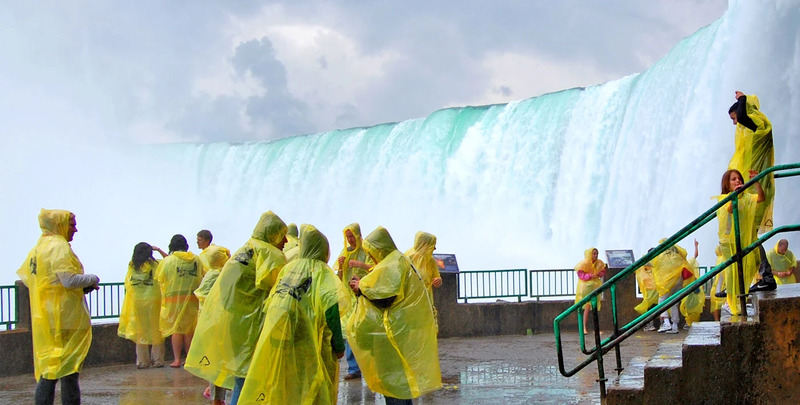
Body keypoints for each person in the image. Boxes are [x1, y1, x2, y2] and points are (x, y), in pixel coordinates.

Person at [184, 211, 288, 405]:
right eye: (282, 236)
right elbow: (279, 293)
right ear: (272, 233)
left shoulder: (244, 249)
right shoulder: (270, 254)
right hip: (254, 324)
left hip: (233, 322)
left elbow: (225, 286)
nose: (286, 242)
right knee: (253, 375)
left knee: (242, 371)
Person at [239, 225, 351, 404]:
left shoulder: (289, 269)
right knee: (314, 386)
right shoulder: (322, 272)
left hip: (282, 337)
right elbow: (331, 312)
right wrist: (338, 345)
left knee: (289, 387)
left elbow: (272, 302)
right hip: (308, 340)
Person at [347, 226, 441, 404]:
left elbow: (387, 298)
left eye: (372, 251)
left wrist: (361, 289)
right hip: (400, 331)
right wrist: (363, 287)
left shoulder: (393, 264)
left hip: (394, 334)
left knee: (395, 384)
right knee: (400, 384)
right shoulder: (395, 261)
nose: (372, 256)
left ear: (379, 248)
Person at [16, 209, 100, 405]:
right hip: (64, 317)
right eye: (72, 224)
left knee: (50, 368)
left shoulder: (39, 247)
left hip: (45, 317)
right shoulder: (59, 246)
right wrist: (93, 278)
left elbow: (34, 280)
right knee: (69, 370)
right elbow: (68, 280)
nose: (76, 229)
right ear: (59, 224)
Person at [727, 91, 777, 292]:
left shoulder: (759, 126)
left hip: (758, 188)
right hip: (757, 185)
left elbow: (745, 117)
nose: (735, 123)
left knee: (751, 235)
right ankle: (762, 276)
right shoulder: (758, 127)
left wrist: (741, 98)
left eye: (734, 118)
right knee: (749, 235)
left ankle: (766, 276)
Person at [713, 169, 765, 315]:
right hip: (728, 241)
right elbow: (730, 209)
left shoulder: (746, 197)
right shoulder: (725, 198)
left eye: (740, 179)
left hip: (744, 239)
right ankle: (730, 302)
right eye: (734, 179)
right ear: (727, 184)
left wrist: (756, 183)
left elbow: (761, 198)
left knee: (753, 262)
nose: (738, 181)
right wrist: (735, 194)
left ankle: (739, 297)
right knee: (732, 271)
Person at [155, 234, 205, 368]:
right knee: (189, 329)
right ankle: (189, 358)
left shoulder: (168, 261)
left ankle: (177, 359)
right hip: (192, 299)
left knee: (176, 329)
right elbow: (202, 274)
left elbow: (161, 278)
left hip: (174, 300)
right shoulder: (196, 259)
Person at [332, 223, 374, 380]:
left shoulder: (367, 250)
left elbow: (377, 269)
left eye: (352, 236)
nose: (350, 240)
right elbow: (339, 278)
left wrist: (360, 265)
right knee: (349, 330)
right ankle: (353, 368)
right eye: (347, 237)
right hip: (350, 297)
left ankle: (368, 366)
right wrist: (341, 267)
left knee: (363, 331)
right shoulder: (345, 252)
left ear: (358, 235)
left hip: (364, 295)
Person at [118, 242, 167, 369]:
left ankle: (142, 361)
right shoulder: (155, 264)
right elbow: (170, 261)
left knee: (140, 330)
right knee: (156, 330)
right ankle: (158, 360)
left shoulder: (132, 265)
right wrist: (159, 250)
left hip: (137, 302)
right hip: (154, 301)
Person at [193, 241, 231, 402]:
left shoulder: (210, 275)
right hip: (219, 324)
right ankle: (217, 396)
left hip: (208, 324)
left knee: (215, 361)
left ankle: (217, 394)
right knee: (220, 361)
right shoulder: (222, 275)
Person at [651, 240, 693, 334]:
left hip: (667, 282)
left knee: (662, 301)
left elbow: (657, 268)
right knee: (674, 303)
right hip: (679, 280)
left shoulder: (661, 256)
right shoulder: (677, 254)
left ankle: (666, 322)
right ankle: (675, 326)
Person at [404, 231, 442, 324]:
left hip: (426, 299)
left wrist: (438, 281)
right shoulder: (408, 257)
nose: (434, 249)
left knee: (427, 323)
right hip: (410, 299)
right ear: (424, 245)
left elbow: (437, 277)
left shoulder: (431, 261)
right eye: (432, 246)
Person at [574, 248, 607, 335]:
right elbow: (580, 274)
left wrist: (598, 274)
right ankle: (584, 327)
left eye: (596, 254)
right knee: (587, 307)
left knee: (594, 307)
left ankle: (595, 328)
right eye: (594, 254)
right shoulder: (584, 263)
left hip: (595, 286)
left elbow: (603, 271)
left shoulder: (599, 263)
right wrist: (590, 275)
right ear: (590, 254)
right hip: (585, 287)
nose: (595, 256)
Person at [679, 240, 705, 329]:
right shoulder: (689, 262)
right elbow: (695, 256)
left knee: (687, 306)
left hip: (687, 288)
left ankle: (689, 322)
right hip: (694, 288)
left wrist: (696, 246)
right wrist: (696, 246)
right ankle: (692, 322)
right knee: (692, 305)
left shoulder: (681, 265)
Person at [634, 250, 659, 331]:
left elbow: (638, 268)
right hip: (657, 287)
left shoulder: (646, 262)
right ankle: (662, 324)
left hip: (649, 287)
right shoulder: (657, 262)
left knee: (649, 307)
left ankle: (650, 325)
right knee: (657, 306)